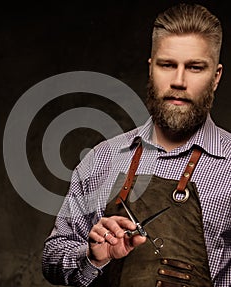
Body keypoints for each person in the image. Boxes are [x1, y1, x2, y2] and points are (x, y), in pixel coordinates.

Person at [42, 3, 230, 287]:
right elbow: (53, 258)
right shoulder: (103, 160)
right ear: (151, 68)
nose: (178, 81)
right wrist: (93, 257)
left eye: (194, 68)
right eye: (167, 65)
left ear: (215, 77)